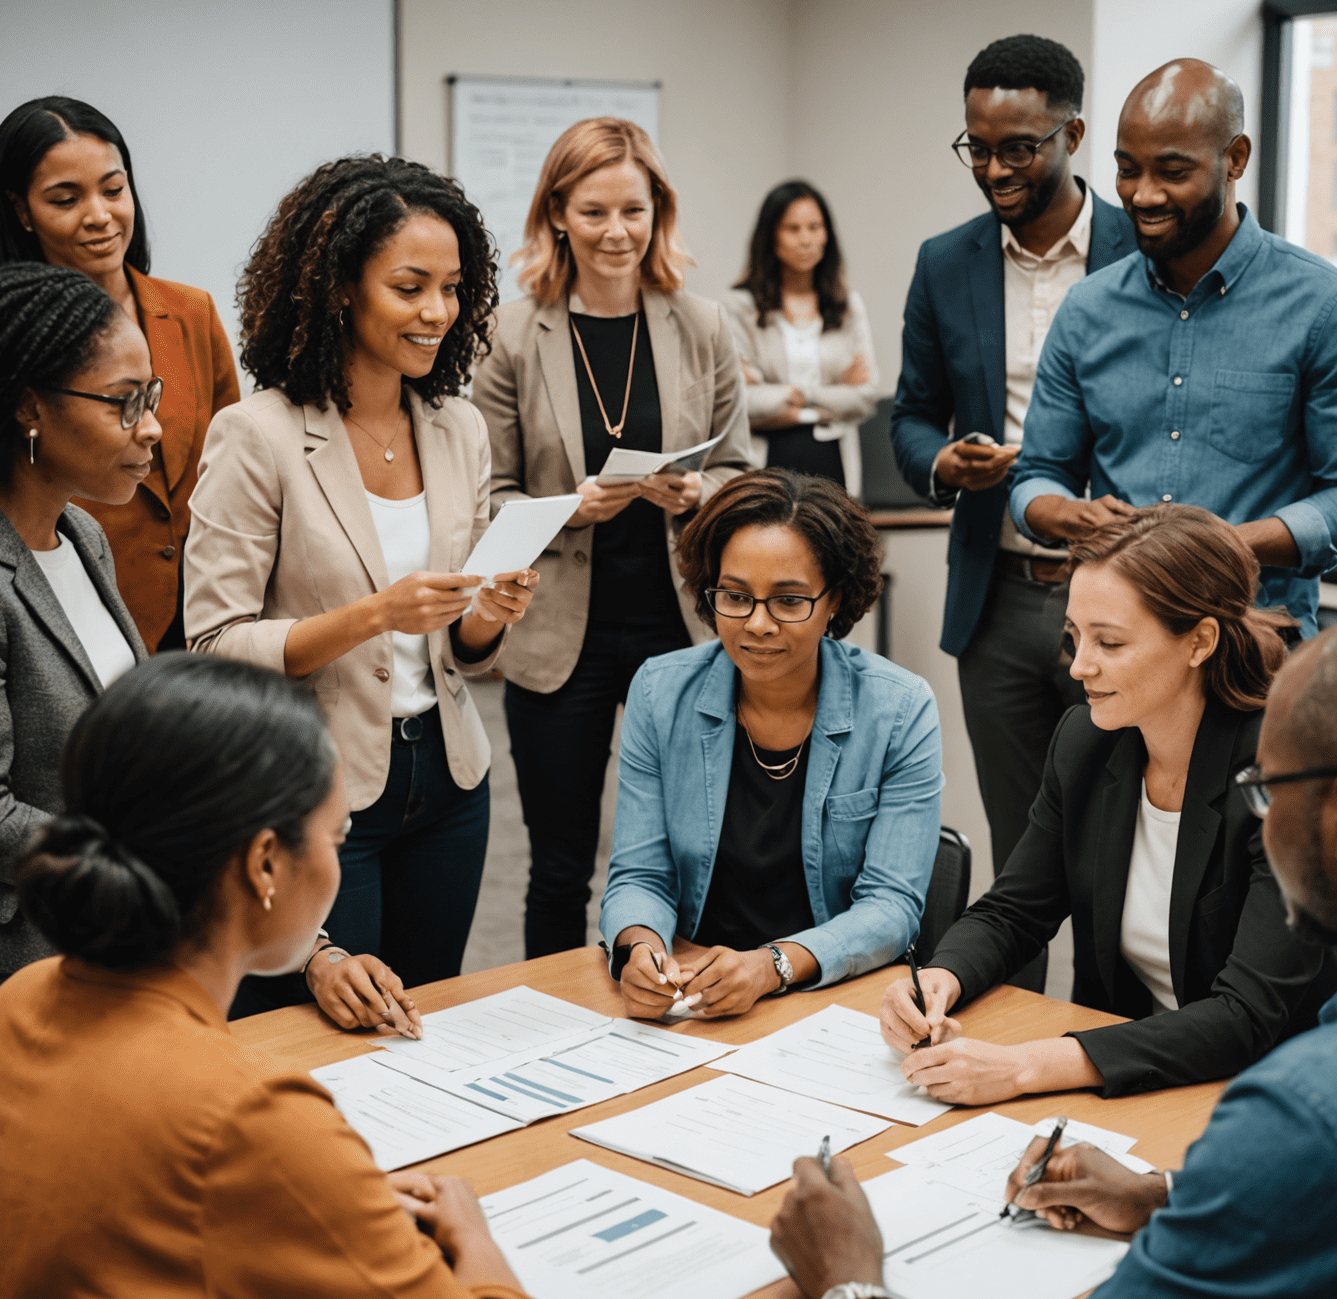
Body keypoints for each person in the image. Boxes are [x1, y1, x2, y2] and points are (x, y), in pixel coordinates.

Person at [770, 611, 1337, 1299]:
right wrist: (1168, 1195)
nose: (1262, 821)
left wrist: (851, 1283)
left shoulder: (1318, 1113)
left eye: (1269, 790)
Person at [0, 651, 547, 1299]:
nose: (338, 855)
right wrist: (468, 1228)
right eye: (337, 835)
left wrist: (315, 1200)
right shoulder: (249, 1119)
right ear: (264, 863)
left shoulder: (21, 1000)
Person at [185, 155, 538, 1015]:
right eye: (410, 286)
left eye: (453, 288)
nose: (437, 313)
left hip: (450, 783)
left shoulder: (457, 427)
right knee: (327, 1036)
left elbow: (461, 651)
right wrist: (373, 615)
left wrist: (487, 617)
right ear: (342, 287)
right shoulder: (257, 435)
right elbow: (213, 644)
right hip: (316, 787)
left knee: (432, 1023)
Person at [879, 503, 1337, 1100]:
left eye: (1111, 643)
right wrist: (940, 979)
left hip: (1282, 1088)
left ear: (1200, 641)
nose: (1080, 666)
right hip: (1138, 1073)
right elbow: (1015, 911)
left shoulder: (1285, 772)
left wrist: (1026, 1067)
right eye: (1075, 637)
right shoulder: (1086, 741)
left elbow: (1247, 1016)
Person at [888, 35, 1135, 987]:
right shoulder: (944, 262)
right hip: (994, 599)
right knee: (1020, 844)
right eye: (976, 147)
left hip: (1115, 598)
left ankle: (1110, 1035)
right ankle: (1004, 1034)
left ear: (1072, 133)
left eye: (1018, 148)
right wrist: (943, 463)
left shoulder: (1139, 251)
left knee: (1122, 837)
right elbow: (911, 414)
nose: (992, 169)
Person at [473, 117, 751, 959]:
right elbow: (486, 494)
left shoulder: (700, 324)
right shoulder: (513, 335)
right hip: (560, 637)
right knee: (559, 867)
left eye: (633, 210)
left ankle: (692, 999)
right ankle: (552, 1019)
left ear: (656, 211)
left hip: (683, 628)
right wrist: (570, 506)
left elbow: (746, 471)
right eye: (593, 212)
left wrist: (703, 490)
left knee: (695, 850)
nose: (616, 232)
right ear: (557, 212)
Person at [1013, 58, 1337, 645]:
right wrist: (1069, 514)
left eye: (1172, 171)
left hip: (1257, 643)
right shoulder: (1086, 309)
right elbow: (1036, 477)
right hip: (1114, 647)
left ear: (1235, 158)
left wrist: (1227, 546)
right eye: (1126, 170)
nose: (1143, 194)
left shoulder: (1324, 305)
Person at [601, 469, 942, 1019]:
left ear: (836, 600)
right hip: (696, 993)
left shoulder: (899, 709)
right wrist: (641, 948)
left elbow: (892, 907)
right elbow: (640, 875)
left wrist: (772, 965)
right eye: (734, 596)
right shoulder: (660, 692)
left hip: (834, 996)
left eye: (788, 601)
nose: (757, 624)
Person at [0, 96, 239, 651]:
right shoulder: (10, 338)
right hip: (62, 614)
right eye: (66, 198)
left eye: (113, 189)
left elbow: (230, 465)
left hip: (203, 615)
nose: (100, 215)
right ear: (21, 209)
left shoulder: (190, 312)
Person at [0, 262, 151, 984]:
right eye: (124, 402)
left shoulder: (82, 534)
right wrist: (135, 858)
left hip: (120, 934)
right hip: (31, 955)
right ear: (30, 407)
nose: (151, 428)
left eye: (150, 397)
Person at [723, 180, 879, 494]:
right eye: (792, 229)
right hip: (765, 463)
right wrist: (827, 399)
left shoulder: (847, 305)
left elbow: (866, 395)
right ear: (771, 237)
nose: (806, 239)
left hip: (833, 462)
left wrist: (792, 399)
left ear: (827, 235)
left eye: (815, 227)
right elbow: (739, 401)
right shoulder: (739, 307)